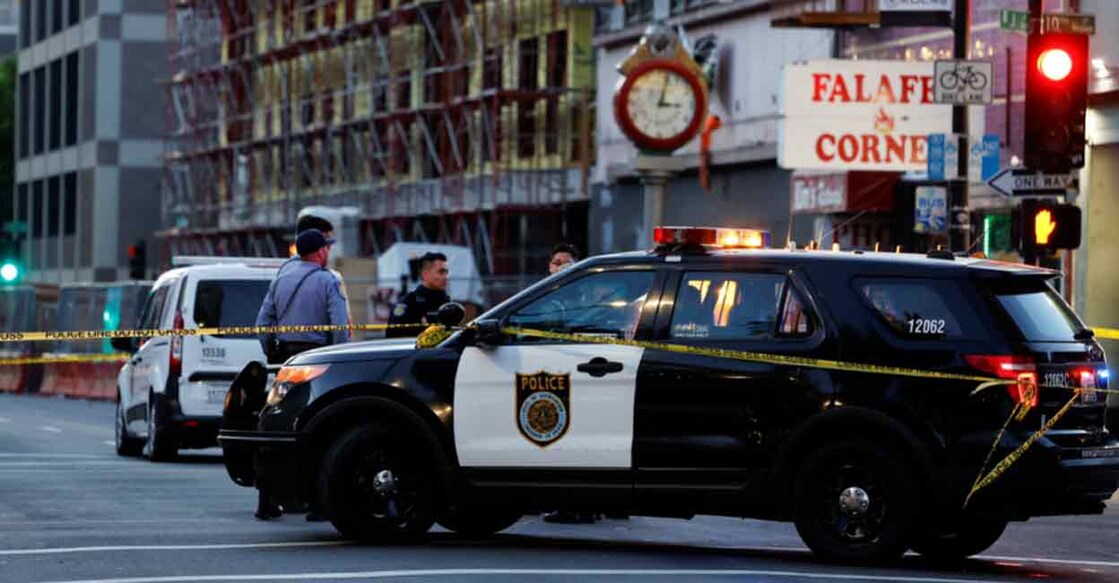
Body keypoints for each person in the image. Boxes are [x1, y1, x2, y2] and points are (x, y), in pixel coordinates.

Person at [386, 252, 451, 338]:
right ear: (425, 274)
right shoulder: (409, 302)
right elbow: (393, 336)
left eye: (446, 272)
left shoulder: (446, 300)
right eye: (441, 272)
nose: (446, 276)